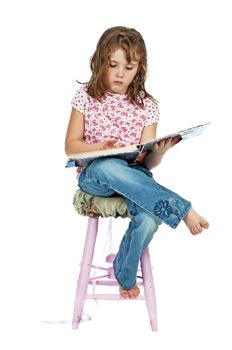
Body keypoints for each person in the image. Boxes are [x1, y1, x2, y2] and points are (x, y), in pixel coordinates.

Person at [65, 26, 209, 299]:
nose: (120, 74)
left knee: (148, 219)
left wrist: (160, 152)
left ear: (139, 68)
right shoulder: (85, 96)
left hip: (135, 177)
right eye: (113, 65)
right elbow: (70, 147)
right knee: (109, 166)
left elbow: (148, 163)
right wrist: (100, 147)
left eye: (128, 67)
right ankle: (181, 208)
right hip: (96, 175)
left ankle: (125, 272)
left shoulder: (148, 105)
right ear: (100, 62)